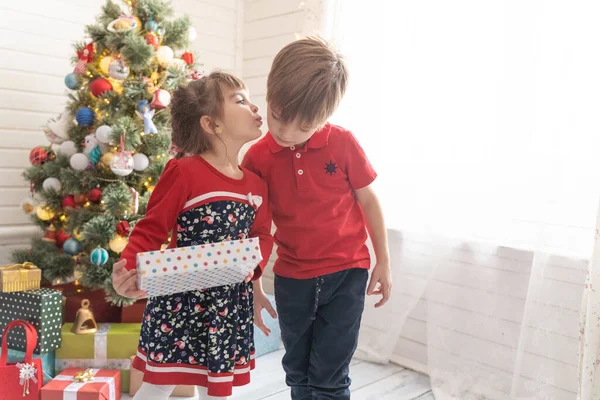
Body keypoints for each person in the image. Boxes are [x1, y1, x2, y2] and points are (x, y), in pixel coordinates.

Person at [242, 37, 392, 400]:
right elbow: (255, 227)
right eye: (277, 115)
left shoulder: (343, 143)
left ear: (324, 118)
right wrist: (255, 282)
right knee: (298, 373)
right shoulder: (258, 158)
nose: (285, 132)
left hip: (347, 273)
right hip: (293, 278)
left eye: (303, 126)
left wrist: (383, 261)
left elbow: (368, 200)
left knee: (330, 376)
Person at [112, 71, 273, 400]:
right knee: (159, 383)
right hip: (179, 302)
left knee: (218, 388)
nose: (254, 106)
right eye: (240, 100)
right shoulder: (185, 171)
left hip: (229, 303)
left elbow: (263, 236)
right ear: (211, 124)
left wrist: (252, 267)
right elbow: (151, 227)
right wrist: (128, 267)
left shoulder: (256, 185)